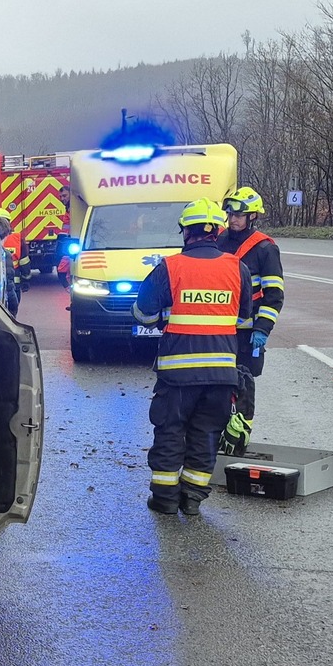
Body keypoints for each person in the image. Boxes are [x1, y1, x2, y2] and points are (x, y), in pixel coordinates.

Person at [135, 198, 253, 515]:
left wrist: (166, 316)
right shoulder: (237, 267)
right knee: (207, 433)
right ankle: (192, 497)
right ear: (217, 231)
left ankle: (165, 499)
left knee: (170, 431)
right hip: (221, 373)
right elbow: (244, 319)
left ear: (186, 231)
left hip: (177, 374)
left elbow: (143, 314)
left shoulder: (170, 267)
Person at [216, 185, 284, 454]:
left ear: (252, 216)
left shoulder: (265, 248)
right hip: (218, 330)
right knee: (217, 384)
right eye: (230, 214)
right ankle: (216, 436)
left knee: (243, 384)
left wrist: (262, 329)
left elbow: (274, 294)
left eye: (239, 215)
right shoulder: (219, 241)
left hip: (247, 333)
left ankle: (238, 441)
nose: (233, 219)